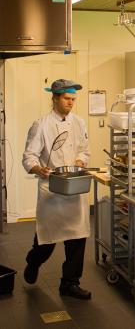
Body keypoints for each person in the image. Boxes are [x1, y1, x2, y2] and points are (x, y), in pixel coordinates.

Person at [22, 79, 92, 300]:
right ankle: (33, 261)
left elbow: (84, 150)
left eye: (73, 99)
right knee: (47, 241)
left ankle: (70, 283)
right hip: (51, 189)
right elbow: (29, 157)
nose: (71, 103)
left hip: (74, 187)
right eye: (66, 99)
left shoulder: (79, 123)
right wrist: (37, 168)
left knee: (78, 238)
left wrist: (80, 161)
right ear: (54, 98)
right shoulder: (40, 125)